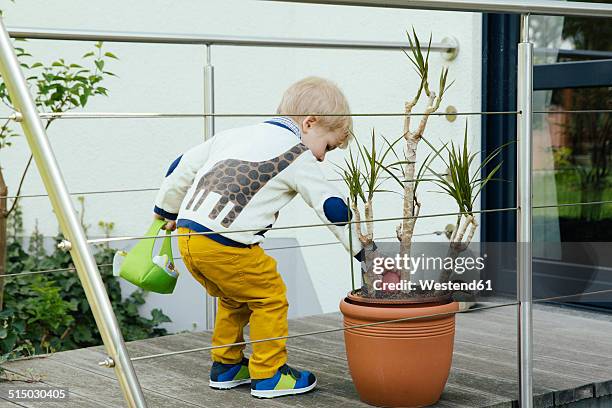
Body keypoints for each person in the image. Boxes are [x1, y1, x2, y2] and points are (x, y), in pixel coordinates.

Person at [153, 76, 363, 398]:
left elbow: (179, 166)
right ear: (309, 123)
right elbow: (332, 207)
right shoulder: (297, 154)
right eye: (328, 146)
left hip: (188, 237)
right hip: (227, 245)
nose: (322, 157)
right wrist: (363, 251)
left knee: (235, 297)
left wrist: (165, 211)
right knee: (270, 295)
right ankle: (269, 374)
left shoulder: (235, 135)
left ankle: (226, 366)